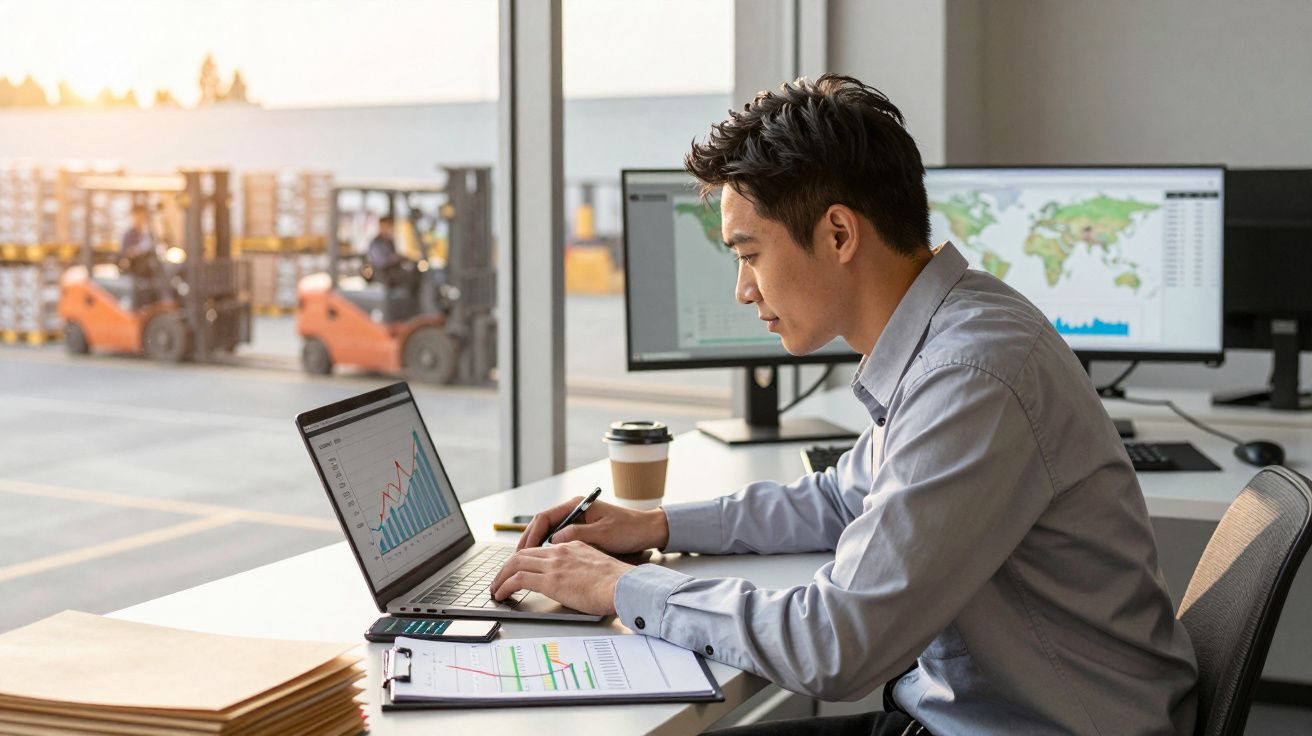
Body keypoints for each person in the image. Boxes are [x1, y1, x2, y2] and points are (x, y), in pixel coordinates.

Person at [489, 75, 1198, 735]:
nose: (743, 289)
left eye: (749, 252)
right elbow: (840, 500)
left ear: (837, 234)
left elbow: (838, 648)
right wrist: (658, 522)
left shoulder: (970, 373)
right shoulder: (955, 327)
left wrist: (625, 589)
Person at [118, 204, 163, 307]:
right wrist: (137, 250)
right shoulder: (129, 234)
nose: (140, 219)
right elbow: (125, 253)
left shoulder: (149, 233)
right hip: (136, 271)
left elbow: (159, 246)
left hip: (152, 272)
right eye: (137, 216)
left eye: (142, 216)